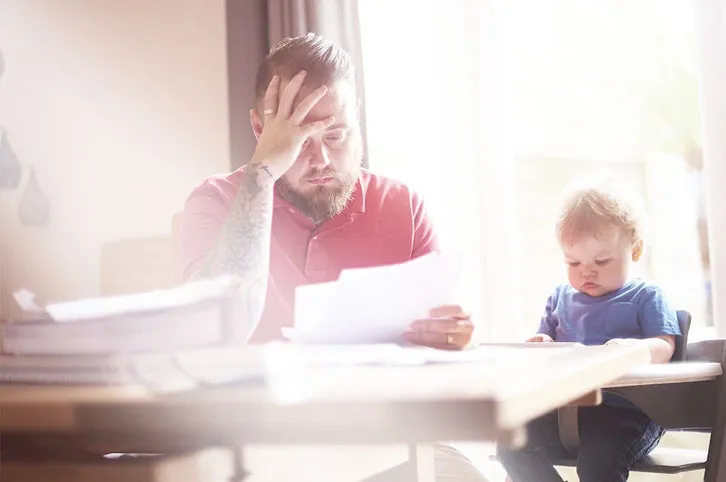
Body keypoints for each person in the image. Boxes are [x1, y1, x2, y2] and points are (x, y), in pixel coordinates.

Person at [177, 33, 487, 481]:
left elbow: (443, 370)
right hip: (259, 450)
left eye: (335, 134)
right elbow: (218, 328)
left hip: (389, 446)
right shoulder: (215, 202)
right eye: (299, 138)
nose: (321, 158)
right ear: (261, 132)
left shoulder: (405, 207)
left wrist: (451, 341)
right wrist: (262, 176)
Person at [497, 180, 681, 482]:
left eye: (601, 261)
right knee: (511, 445)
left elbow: (665, 345)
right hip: (563, 412)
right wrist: (540, 344)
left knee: (598, 463)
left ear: (635, 251)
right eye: (573, 262)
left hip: (627, 413)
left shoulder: (646, 296)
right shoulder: (559, 297)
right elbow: (543, 346)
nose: (587, 271)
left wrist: (633, 351)